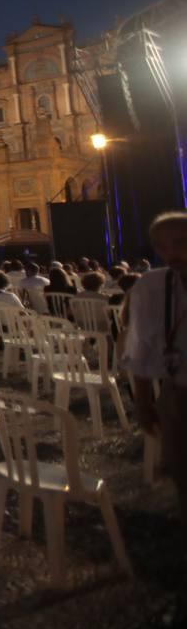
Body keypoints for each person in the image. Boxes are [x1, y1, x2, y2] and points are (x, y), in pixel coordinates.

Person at [123, 212, 187, 517]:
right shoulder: (152, 286)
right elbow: (140, 347)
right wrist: (144, 401)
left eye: (179, 243)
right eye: (162, 247)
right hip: (178, 393)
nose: (171, 253)